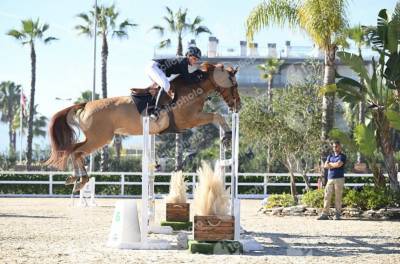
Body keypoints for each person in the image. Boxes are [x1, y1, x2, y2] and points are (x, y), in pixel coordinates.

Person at [144, 46, 204, 119]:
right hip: (154, 67)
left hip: (154, 68)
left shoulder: (183, 62)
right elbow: (187, 79)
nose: (195, 61)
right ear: (188, 55)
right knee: (166, 85)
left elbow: (185, 77)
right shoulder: (183, 61)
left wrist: (197, 73)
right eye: (194, 58)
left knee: (164, 86)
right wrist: (199, 77)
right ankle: (155, 111)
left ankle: (150, 106)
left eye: (196, 59)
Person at [317, 141, 347, 220]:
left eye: (336, 146)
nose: (335, 148)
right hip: (330, 179)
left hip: (339, 179)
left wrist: (331, 165)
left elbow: (339, 164)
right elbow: (325, 166)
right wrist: (334, 165)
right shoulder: (330, 156)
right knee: (327, 196)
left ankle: (337, 214)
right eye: (334, 146)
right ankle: (325, 214)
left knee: (338, 197)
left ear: (340, 147)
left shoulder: (342, 156)